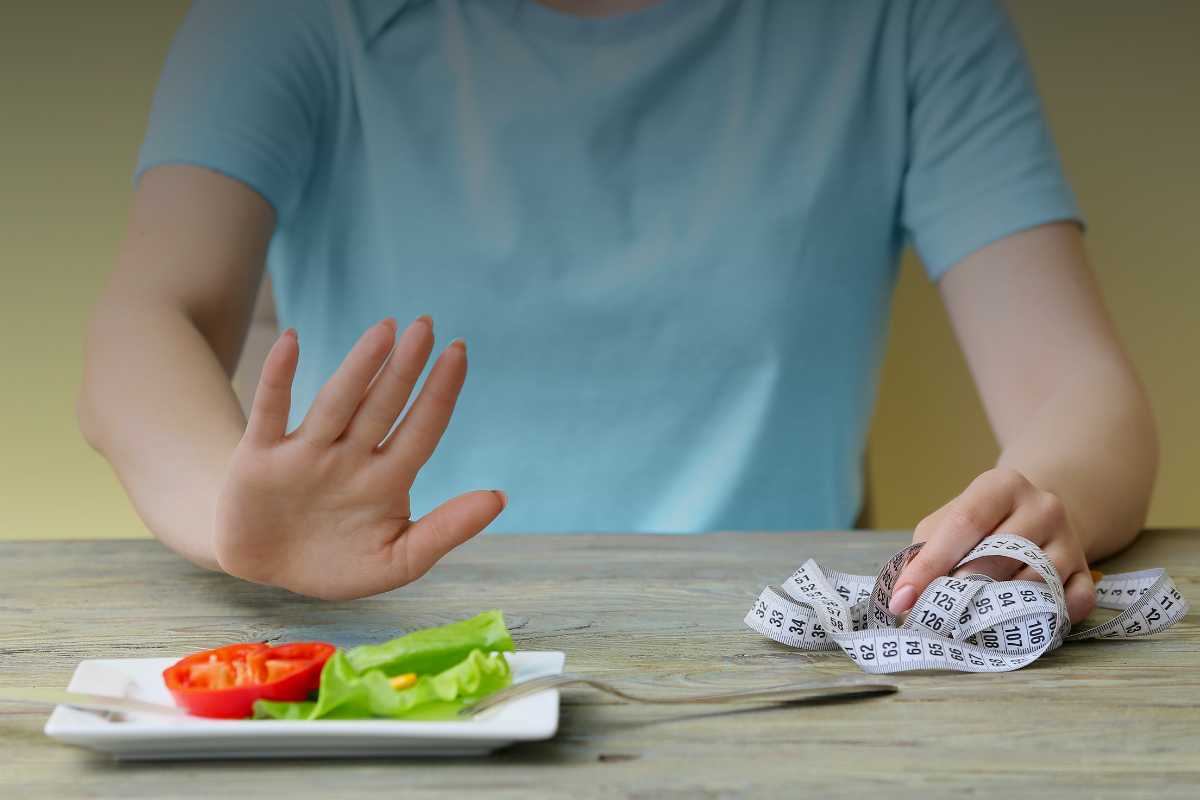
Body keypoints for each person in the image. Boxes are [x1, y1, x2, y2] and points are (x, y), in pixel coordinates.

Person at [79, 0, 1157, 622]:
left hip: (770, 688)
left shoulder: (908, 19)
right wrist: (232, 510)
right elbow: (141, 327)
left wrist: (1029, 515)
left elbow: (1081, 393)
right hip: (383, 677)